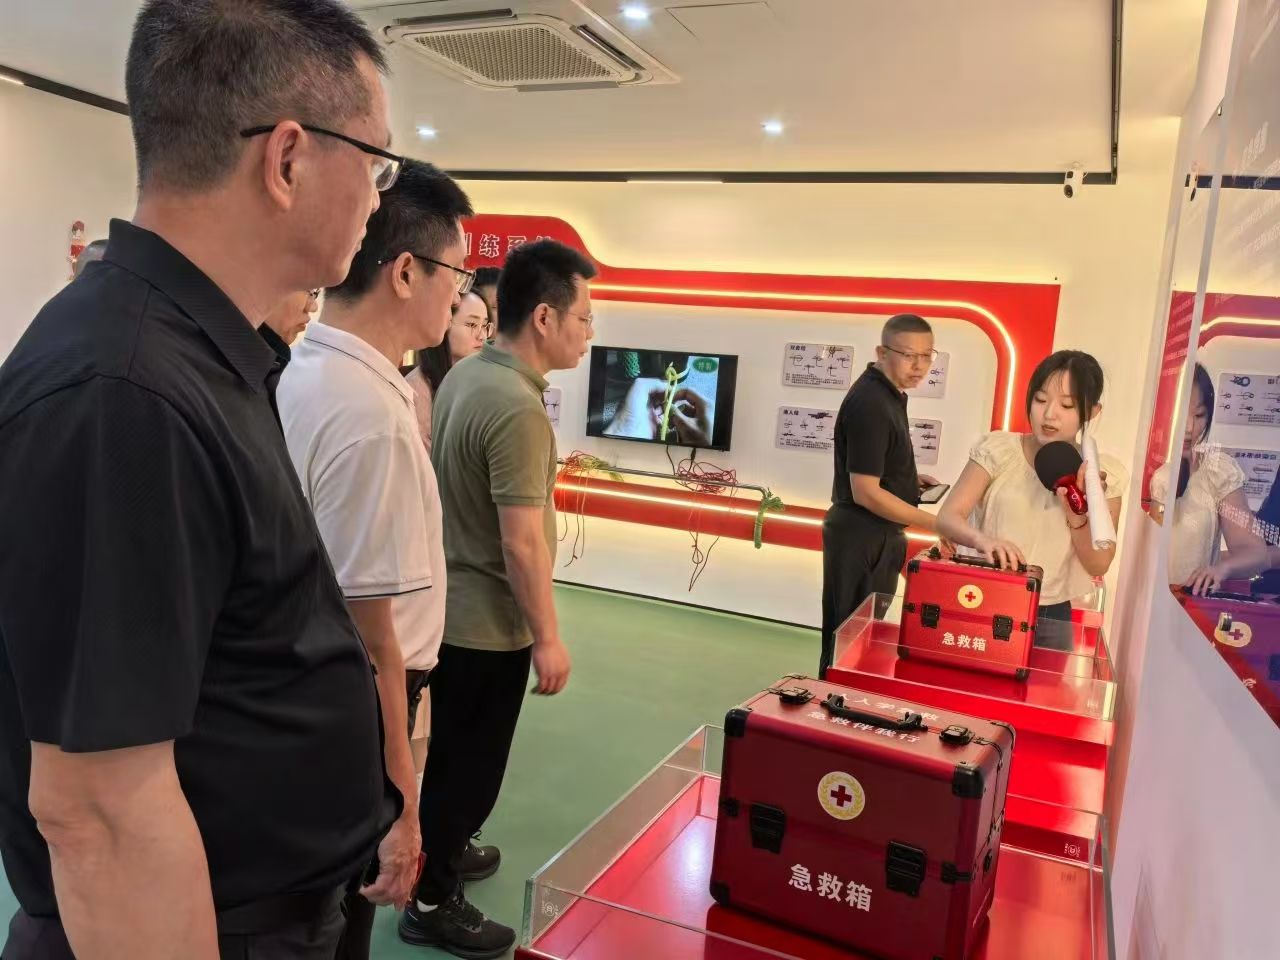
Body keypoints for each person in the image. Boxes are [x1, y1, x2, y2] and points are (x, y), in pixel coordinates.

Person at [0, 2, 404, 958]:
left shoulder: (198, 353)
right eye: (376, 163)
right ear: (289, 159)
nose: (378, 198)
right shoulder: (124, 391)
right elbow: (101, 813)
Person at [277, 159, 474, 959]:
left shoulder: (302, 368)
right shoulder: (370, 417)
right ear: (405, 272)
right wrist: (402, 804)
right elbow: (371, 640)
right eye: (457, 275)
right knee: (340, 919)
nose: (460, 298)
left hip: (299, 693)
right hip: (353, 704)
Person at [399, 240, 597, 957]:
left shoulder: (466, 375)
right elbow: (522, 544)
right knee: (469, 770)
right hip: (486, 625)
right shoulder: (516, 408)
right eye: (584, 317)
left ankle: (444, 852)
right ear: (544, 316)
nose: (589, 332)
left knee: (454, 755)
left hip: (448, 608)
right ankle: (431, 897)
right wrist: (548, 636)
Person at [937, 351, 1128, 650]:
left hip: (1050, 617)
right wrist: (983, 541)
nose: (1049, 414)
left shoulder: (1102, 475)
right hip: (979, 597)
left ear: (1091, 411)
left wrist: (1077, 514)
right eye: (1040, 400)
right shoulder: (999, 449)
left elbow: (1098, 564)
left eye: (1067, 405)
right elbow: (947, 517)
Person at [821, 314, 944, 673]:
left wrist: (906, 478)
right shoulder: (872, 403)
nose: (919, 366)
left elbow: (874, 468)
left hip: (876, 535)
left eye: (927, 356)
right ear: (882, 352)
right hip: (862, 536)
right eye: (909, 355)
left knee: (863, 638)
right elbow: (866, 494)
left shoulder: (890, 395)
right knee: (848, 642)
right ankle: (833, 703)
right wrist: (939, 525)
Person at [1152, 362, 1267, 595]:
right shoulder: (1140, 468)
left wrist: (1222, 568)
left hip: (1188, 603)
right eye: (1181, 413)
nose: (1189, 427)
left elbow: (1255, 553)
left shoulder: (1217, 472)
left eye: (1199, 415)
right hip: (1138, 598)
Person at [405, 288, 491, 452]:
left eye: (485, 325)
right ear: (445, 323)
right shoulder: (416, 391)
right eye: (472, 324)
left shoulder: (482, 383)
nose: (482, 336)